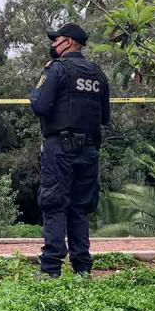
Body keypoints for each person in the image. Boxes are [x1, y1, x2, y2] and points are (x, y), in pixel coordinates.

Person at [29, 22, 110, 278]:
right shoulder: (98, 74)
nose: (54, 44)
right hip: (89, 150)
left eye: (57, 39)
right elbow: (105, 117)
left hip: (60, 149)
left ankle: (50, 268)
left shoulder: (57, 69)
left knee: (54, 203)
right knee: (80, 207)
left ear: (70, 42)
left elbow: (39, 106)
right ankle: (82, 269)